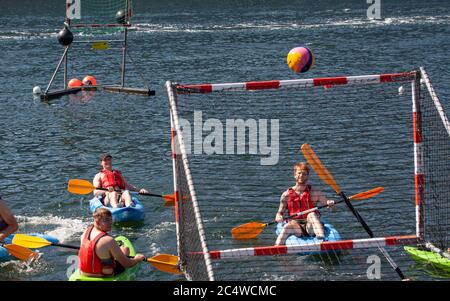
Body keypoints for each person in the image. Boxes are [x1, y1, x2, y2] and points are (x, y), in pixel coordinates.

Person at [275, 162, 335, 246]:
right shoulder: (286, 195)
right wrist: (279, 217)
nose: (301, 176)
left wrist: (330, 204)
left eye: (304, 174)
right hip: (296, 226)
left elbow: (331, 208)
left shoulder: (315, 192)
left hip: (311, 226)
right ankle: (276, 249)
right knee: (286, 227)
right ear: (295, 175)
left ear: (308, 176)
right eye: (299, 173)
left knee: (311, 214)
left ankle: (322, 240)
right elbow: (279, 213)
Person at [78, 208, 145, 277]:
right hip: (104, 275)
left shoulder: (85, 232)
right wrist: (137, 259)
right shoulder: (108, 240)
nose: (110, 222)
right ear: (97, 222)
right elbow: (127, 264)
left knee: (120, 251)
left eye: (111, 219)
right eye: (106, 220)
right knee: (126, 250)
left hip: (84, 273)